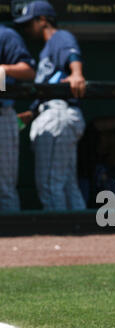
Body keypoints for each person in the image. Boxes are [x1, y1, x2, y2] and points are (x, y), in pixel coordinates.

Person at [15, 1, 86, 211]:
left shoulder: (59, 37)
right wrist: (33, 111)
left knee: (49, 183)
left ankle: (60, 234)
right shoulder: (46, 49)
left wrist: (76, 73)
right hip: (54, 112)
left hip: (58, 114)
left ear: (43, 20)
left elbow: (72, 54)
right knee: (66, 184)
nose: (26, 29)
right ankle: (81, 232)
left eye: (29, 23)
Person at [0, 24, 36, 211]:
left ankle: (13, 237)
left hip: (2, 114)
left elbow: (29, 70)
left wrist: (2, 69)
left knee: (4, 186)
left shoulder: (5, 35)